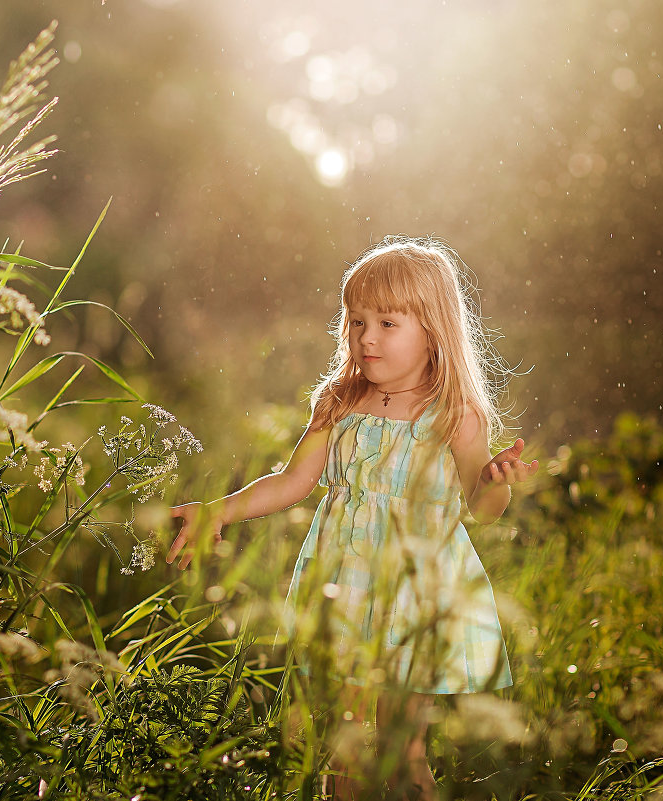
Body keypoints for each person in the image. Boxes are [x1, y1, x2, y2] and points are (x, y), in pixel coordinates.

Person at [165, 236, 538, 800]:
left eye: (388, 323)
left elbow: (481, 512)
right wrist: (219, 510)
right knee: (343, 746)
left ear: (433, 328)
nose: (367, 337)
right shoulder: (339, 401)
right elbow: (293, 481)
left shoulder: (454, 416)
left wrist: (492, 484)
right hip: (342, 588)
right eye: (357, 320)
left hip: (412, 597)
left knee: (402, 750)